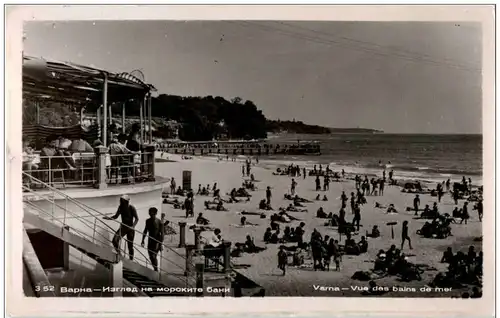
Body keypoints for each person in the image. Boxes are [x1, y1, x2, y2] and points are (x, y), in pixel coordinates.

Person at [103, 195, 139, 260]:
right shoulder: (120, 207)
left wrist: (133, 227)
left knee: (130, 246)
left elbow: (137, 219)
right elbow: (116, 216)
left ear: (125, 201)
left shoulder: (131, 208)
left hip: (130, 229)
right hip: (123, 227)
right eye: (120, 200)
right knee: (115, 240)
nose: (120, 202)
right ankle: (120, 255)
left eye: (121, 200)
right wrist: (108, 218)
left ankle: (131, 260)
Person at [141, 207, 164, 271]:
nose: (152, 215)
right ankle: (155, 269)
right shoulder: (147, 221)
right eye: (150, 214)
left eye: (153, 214)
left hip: (157, 241)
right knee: (151, 257)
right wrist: (142, 240)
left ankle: (156, 270)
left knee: (154, 256)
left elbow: (162, 234)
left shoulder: (160, 222)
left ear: (156, 214)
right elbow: (145, 231)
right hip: (150, 241)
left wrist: (161, 244)